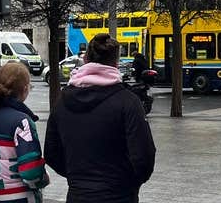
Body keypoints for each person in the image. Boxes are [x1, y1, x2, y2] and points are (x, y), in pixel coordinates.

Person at [45, 33, 155, 203]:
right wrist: (127, 183)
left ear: (86, 59)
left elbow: (52, 152)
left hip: (78, 194)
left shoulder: (62, 101)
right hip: (119, 195)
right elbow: (144, 157)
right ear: (116, 63)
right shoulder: (128, 102)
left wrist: (78, 178)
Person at [0, 63, 49, 202]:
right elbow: (31, 171)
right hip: (18, 197)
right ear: (25, 89)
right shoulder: (22, 121)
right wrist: (44, 179)